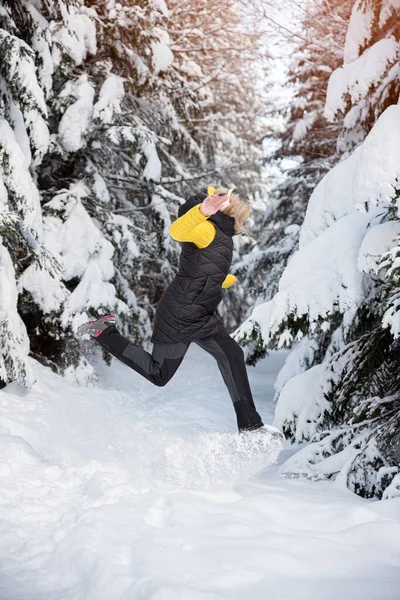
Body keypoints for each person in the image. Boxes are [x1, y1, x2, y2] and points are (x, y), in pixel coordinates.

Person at [79, 187, 276, 435]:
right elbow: (177, 231)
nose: (243, 224)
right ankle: (103, 332)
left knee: (232, 354)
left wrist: (222, 280)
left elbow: (200, 267)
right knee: (158, 374)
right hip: (181, 314)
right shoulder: (206, 228)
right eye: (242, 218)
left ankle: (249, 424)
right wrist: (203, 211)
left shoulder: (221, 236)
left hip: (200, 313)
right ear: (232, 214)